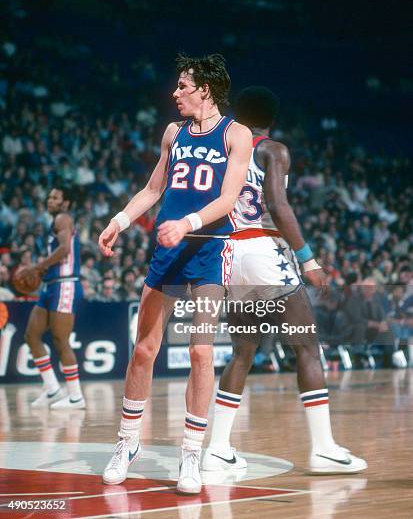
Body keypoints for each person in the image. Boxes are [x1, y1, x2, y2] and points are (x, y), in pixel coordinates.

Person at [98, 54, 252, 493]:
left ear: (205, 89)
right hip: (169, 250)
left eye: (183, 85)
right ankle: (127, 443)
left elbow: (228, 200)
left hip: (208, 250)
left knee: (201, 352)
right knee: (144, 349)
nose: (175, 93)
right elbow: (152, 189)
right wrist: (120, 221)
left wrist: (187, 223)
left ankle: (190, 451)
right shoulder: (173, 133)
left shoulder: (237, 135)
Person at [203, 86, 367, 474]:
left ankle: (218, 449)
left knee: (242, 351)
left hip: (231, 254)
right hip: (264, 250)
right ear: (272, 118)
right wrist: (307, 257)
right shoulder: (271, 149)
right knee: (308, 348)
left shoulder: (223, 150)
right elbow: (277, 205)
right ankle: (324, 449)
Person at [24, 186, 85, 409]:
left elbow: (65, 249)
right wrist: (41, 271)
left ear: (65, 203)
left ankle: (76, 397)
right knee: (31, 335)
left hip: (65, 285)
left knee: (61, 341)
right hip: (50, 286)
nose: (50, 200)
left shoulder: (63, 218)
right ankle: (52, 389)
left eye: (55, 197)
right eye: (49, 197)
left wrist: (37, 267)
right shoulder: (55, 221)